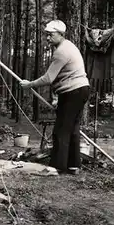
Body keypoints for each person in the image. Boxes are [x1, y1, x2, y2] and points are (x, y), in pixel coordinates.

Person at [20, 20, 90, 175]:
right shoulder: (68, 46)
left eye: (51, 35)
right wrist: (57, 97)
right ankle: (73, 165)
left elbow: (48, 78)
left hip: (74, 91)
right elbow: (60, 78)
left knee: (61, 130)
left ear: (60, 34)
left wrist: (29, 84)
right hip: (79, 90)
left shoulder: (61, 52)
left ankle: (57, 166)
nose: (48, 38)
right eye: (46, 35)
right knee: (72, 129)